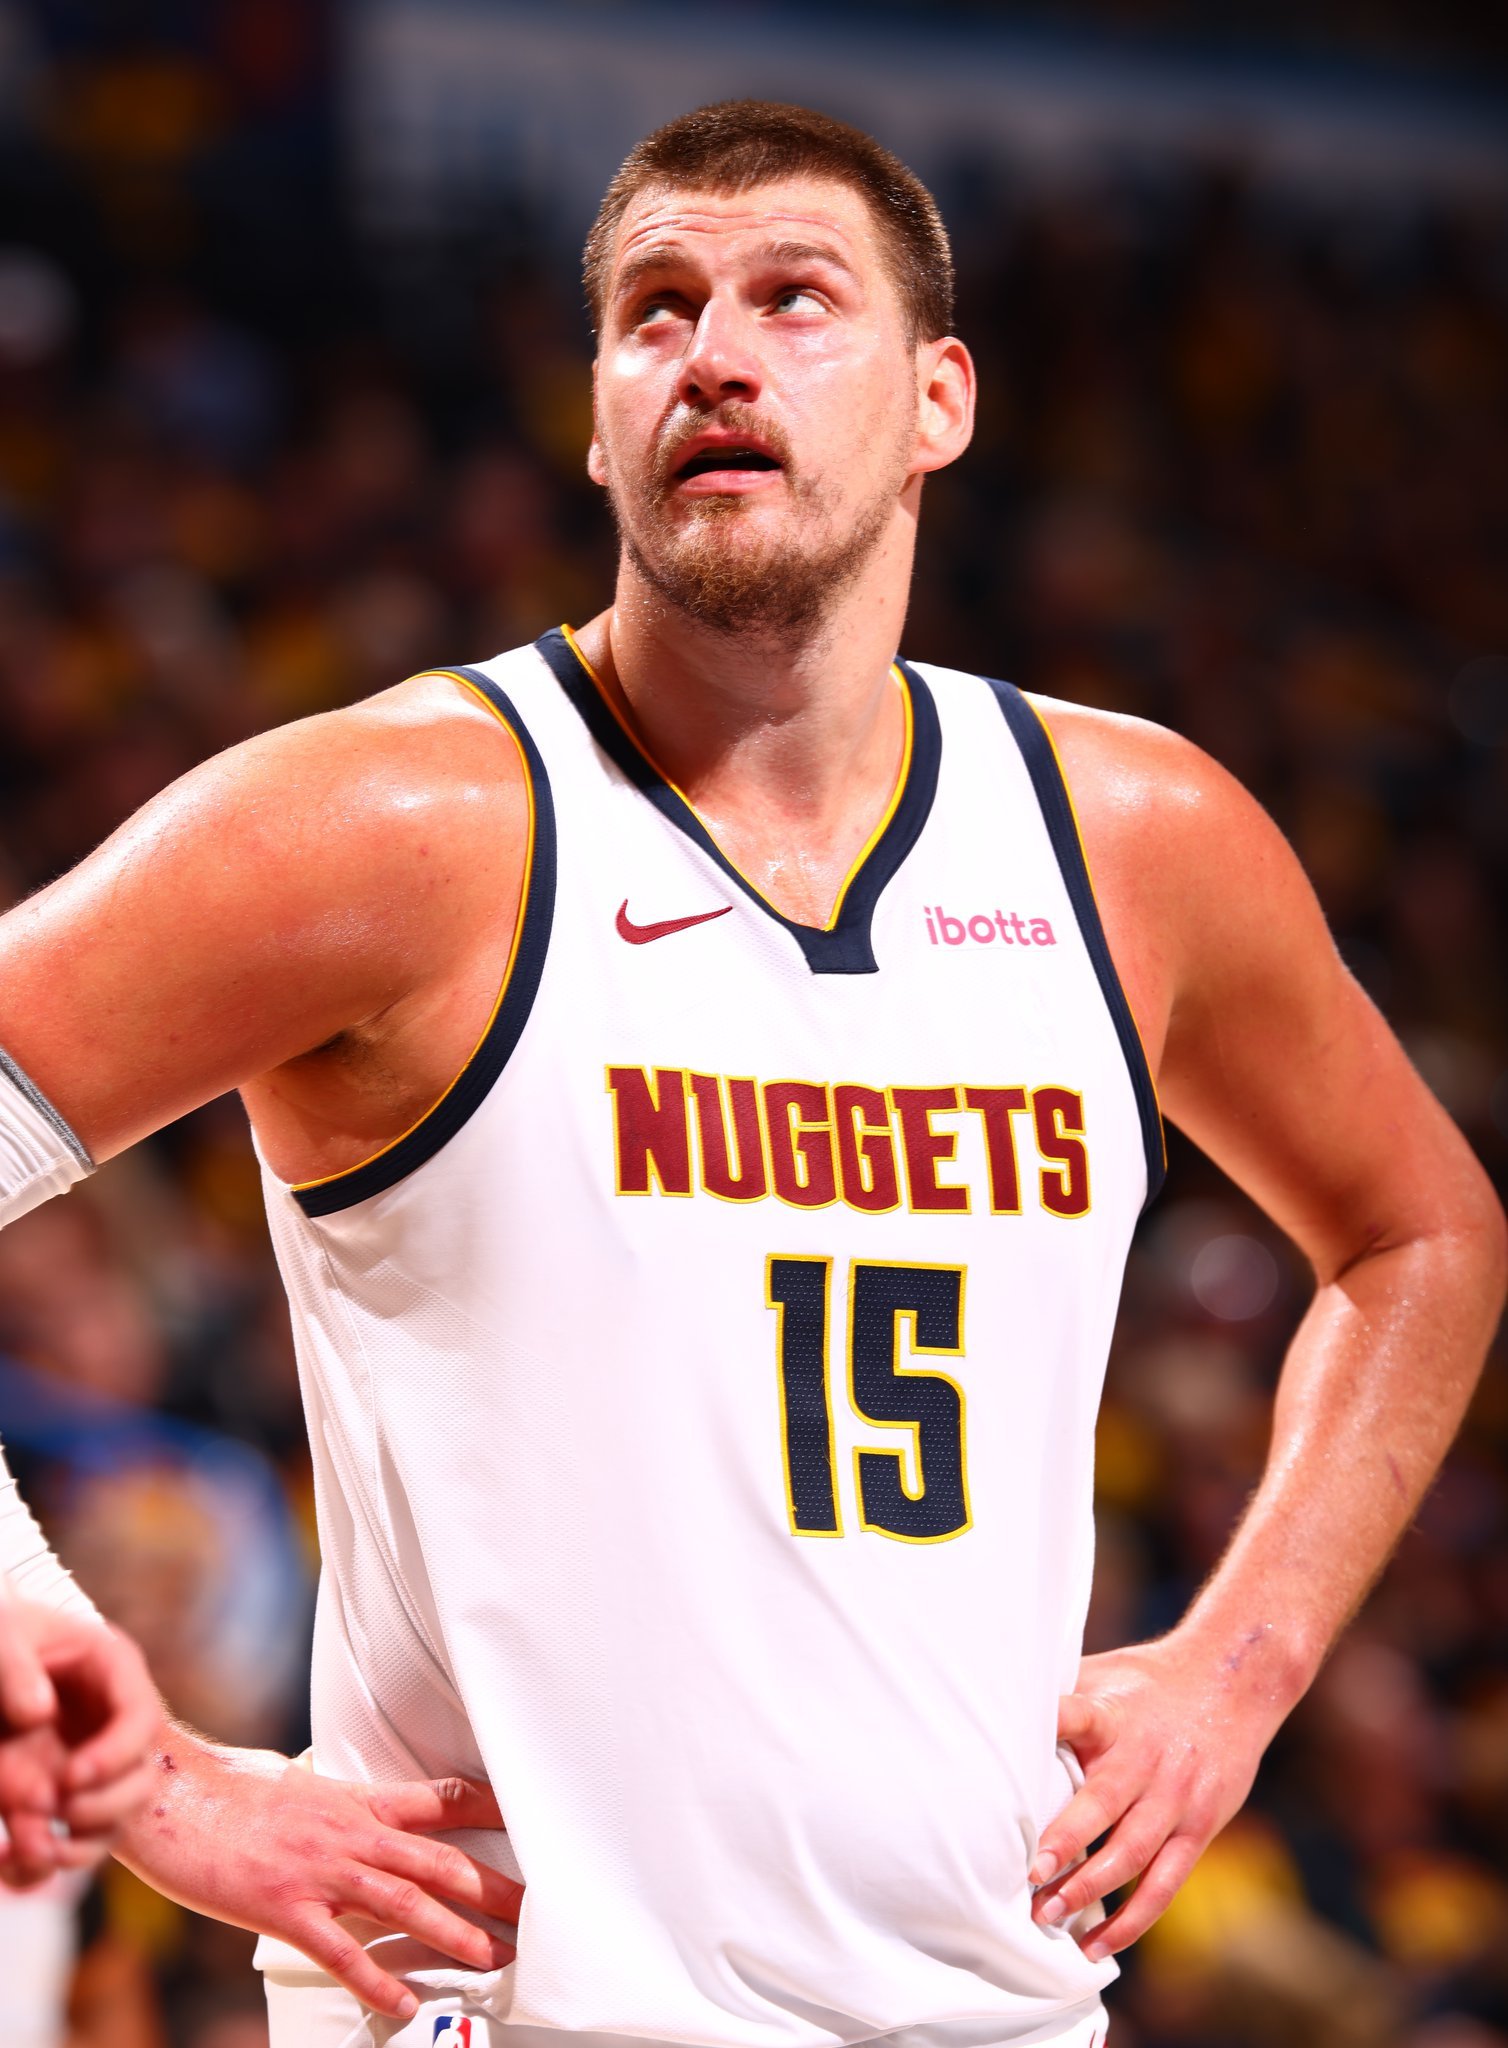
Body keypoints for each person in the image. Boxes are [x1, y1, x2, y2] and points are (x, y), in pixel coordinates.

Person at [0, 99, 1500, 2048]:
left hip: (1002, 2010)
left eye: (795, 297)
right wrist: (153, 1772)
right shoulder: (391, 824)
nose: (714, 352)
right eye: (656, 310)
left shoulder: (1138, 841)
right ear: (596, 420)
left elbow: (1421, 1232)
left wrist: (1245, 1661)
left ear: (940, 400)